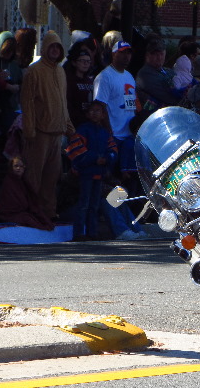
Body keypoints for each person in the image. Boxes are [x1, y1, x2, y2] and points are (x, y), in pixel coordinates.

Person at [20, 30, 75, 220]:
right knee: (34, 176)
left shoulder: (61, 71)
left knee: (52, 176)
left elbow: (62, 102)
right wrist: (29, 130)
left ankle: (48, 212)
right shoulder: (34, 71)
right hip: (39, 133)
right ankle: (30, 211)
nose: (54, 50)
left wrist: (69, 128)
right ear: (45, 48)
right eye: (51, 46)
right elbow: (26, 103)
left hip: (57, 132)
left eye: (58, 47)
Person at [64, 101, 117, 240]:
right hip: (86, 174)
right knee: (84, 204)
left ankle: (92, 232)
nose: (94, 113)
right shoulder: (83, 130)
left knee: (94, 205)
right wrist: (95, 159)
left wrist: (107, 159)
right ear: (87, 114)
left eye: (98, 111)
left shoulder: (105, 132)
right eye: (92, 111)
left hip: (99, 174)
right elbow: (75, 151)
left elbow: (113, 151)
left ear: (103, 114)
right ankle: (79, 233)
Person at [94, 40, 137, 185]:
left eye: (128, 53)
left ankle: (125, 206)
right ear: (113, 54)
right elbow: (100, 105)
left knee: (127, 181)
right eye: (122, 53)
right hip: (114, 136)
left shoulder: (130, 76)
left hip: (128, 136)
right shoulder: (105, 77)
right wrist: (108, 132)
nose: (126, 57)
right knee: (111, 180)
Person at [0, 156, 55, 230]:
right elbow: (11, 202)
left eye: (21, 166)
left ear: (24, 168)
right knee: (28, 219)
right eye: (16, 166)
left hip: (23, 211)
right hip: (10, 213)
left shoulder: (23, 181)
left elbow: (31, 198)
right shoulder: (9, 181)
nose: (18, 168)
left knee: (42, 218)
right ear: (11, 167)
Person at [136, 37, 181, 112]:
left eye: (161, 54)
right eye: (155, 55)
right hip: (154, 118)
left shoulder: (168, 71)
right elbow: (169, 98)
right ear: (147, 55)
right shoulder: (145, 74)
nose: (159, 58)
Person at [65, 50, 94, 128]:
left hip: (90, 123)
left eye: (88, 61)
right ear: (74, 62)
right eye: (82, 61)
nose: (86, 64)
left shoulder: (91, 81)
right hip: (74, 124)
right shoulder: (69, 81)